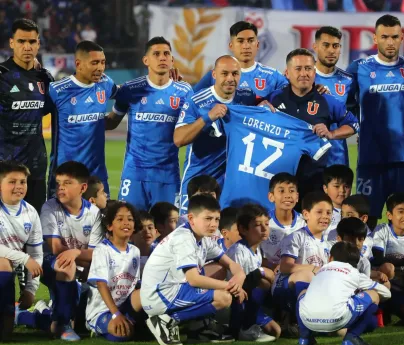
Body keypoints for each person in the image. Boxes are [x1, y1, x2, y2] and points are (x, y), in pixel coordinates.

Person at [347, 14, 404, 230]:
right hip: (370, 158)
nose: (390, 42)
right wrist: (365, 125)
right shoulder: (358, 68)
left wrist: (401, 125)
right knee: (367, 219)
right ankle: (366, 263)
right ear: (375, 38)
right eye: (385, 37)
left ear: (401, 38)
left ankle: (403, 262)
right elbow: (345, 104)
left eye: (394, 37)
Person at [141, 194, 247, 345]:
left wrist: (240, 276)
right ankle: (166, 321)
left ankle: (199, 329)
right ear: (191, 219)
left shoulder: (202, 238)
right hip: (160, 295)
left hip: (171, 290)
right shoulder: (184, 238)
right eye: (208, 218)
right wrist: (231, 286)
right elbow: (194, 279)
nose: (213, 224)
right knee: (224, 297)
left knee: (218, 269)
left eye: (216, 219)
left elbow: (230, 264)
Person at [107, 37, 193, 210]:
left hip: (167, 176)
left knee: (167, 232)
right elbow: (112, 121)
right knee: (129, 227)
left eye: (166, 54)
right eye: (156, 54)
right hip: (134, 174)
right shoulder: (131, 89)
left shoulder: (184, 92)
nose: (162, 58)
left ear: (172, 60)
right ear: (146, 60)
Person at [267, 48, 358, 208]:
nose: (304, 73)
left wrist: (332, 133)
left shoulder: (326, 100)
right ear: (287, 73)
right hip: (281, 177)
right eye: (298, 69)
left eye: (308, 69)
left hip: (315, 178)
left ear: (314, 72)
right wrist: (261, 107)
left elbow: (353, 124)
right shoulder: (274, 98)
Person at [174, 55, 264, 214]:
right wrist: (207, 118)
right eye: (225, 73)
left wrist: (264, 103)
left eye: (235, 74)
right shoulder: (197, 101)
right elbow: (179, 139)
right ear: (214, 74)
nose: (230, 78)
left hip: (230, 183)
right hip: (199, 179)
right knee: (191, 229)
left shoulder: (247, 96)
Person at [40, 161, 105, 341]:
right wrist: (79, 259)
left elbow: (96, 254)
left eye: (67, 183)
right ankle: (65, 323)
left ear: (83, 187)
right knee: (65, 264)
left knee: (80, 322)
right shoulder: (50, 207)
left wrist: (76, 254)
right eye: (58, 183)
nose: (60, 188)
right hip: (49, 264)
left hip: (80, 267)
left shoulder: (94, 213)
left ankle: (29, 316)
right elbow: (56, 249)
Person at [47, 41, 117, 198]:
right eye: (94, 63)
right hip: (66, 176)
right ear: (78, 64)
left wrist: (114, 119)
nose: (100, 68)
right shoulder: (57, 91)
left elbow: (125, 94)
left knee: (101, 221)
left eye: (103, 62)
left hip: (97, 177)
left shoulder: (105, 84)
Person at [0, 18, 54, 212]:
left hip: (36, 167)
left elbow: (49, 110)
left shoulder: (45, 78)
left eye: (32, 42)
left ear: (38, 43)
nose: (27, 46)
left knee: (33, 228)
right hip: (5, 168)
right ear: (11, 43)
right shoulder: (2, 75)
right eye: (21, 41)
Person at [296, 242, 391, 345]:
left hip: (308, 320)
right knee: (374, 295)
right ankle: (352, 337)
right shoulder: (354, 273)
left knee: (303, 293)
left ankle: (304, 338)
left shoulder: (321, 270)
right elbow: (386, 292)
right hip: (338, 319)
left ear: (331, 258)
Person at [272, 192, 333, 332]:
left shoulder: (329, 245)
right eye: (319, 212)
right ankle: (304, 327)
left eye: (328, 213)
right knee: (306, 275)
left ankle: (299, 321)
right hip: (284, 288)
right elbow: (285, 266)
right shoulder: (296, 237)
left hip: (315, 290)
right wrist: (312, 268)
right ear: (306, 215)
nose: (325, 216)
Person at [86, 201, 143, 342]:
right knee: (123, 334)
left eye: (130, 219)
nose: (126, 223)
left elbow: (136, 285)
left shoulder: (135, 251)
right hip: (103, 310)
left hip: (125, 306)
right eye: (120, 219)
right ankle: (96, 328)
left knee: (146, 293)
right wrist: (116, 314)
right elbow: (101, 284)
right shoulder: (102, 250)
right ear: (110, 226)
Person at [0, 161, 43, 341]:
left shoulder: (30, 212)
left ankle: (15, 314)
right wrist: (23, 258)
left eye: (22, 182)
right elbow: (28, 258)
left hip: (10, 270)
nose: (18, 186)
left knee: (5, 334)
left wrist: (31, 289)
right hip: (6, 266)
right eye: (12, 182)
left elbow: (36, 254)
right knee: (2, 261)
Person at [226, 204, 279, 342]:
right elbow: (235, 284)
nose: (264, 228)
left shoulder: (257, 251)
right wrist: (261, 271)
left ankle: (252, 323)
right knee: (261, 280)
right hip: (229, 303)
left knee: (276, 331)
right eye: (257, 225)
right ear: (243, 229)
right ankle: (242, 328)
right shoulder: (238, 251)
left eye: (266, 224)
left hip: (247, 301)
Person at [193, 21, 287, 97]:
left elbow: (294, 99)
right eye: (240, 41)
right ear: (231, 45)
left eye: (250, 41)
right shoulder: (214, 75)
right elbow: (190, 100)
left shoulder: (273, 76)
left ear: (257, 45)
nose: (246, 46)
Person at [371, 193, 404, 327]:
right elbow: (377, 259)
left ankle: (397, 311)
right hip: (385, 282)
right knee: (388, 267)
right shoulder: (381, 230)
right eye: (401, 212)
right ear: (389, 215)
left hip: (402, 286)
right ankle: (381, 309)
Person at [313, 26, 357, 167]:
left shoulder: (348, 80)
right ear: (315, 47)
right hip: (308, 157)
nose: (331, 50)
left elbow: (352, 117)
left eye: (335, 46)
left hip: (337, 159)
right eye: (326, 45)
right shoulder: (303, 77)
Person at [262, 172, 305, 270]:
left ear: (297, 196)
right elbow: (255, 255)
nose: (287, 195)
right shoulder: (263, 223)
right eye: (281, 191)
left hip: (299, 273)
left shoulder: (305, 222)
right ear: (271, 197)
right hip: (272, 272)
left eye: (291, 191)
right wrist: (275, 267)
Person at [322, 165, 353, 240]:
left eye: (346, 186)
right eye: (336, 186)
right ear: (325, 188)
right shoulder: (319, 212)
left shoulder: (355, 212)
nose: (342, 191)